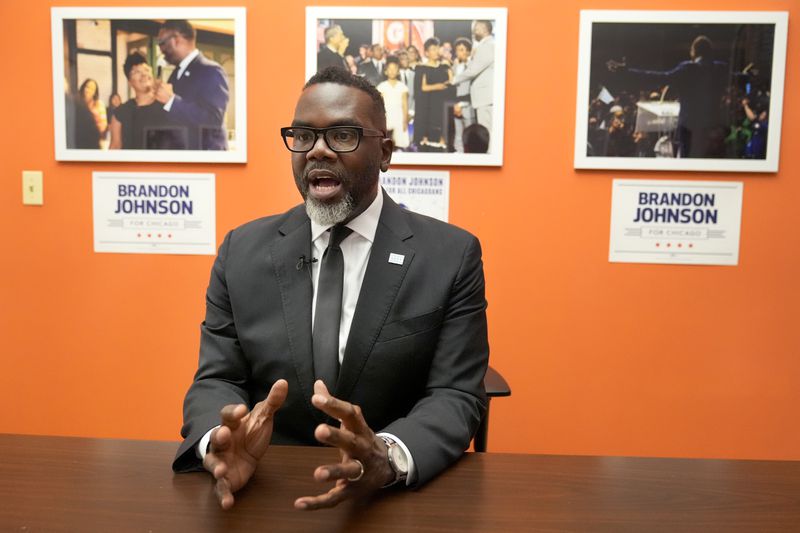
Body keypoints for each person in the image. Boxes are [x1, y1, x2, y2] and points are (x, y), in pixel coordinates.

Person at [172, 66, 489, 512]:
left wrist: (389, 456)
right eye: (302, 136)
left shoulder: (450, 256)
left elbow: (456, 393)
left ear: (386, 152)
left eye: (342, 135)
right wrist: (217, 442)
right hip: (268, 491)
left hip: (390, 499)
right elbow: (217, 378)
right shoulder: (241, 251)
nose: (318, 150)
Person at [606, 35, 729, 158]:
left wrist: (627, 72)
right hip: (712, 127)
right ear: (710, 52)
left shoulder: (687, 68)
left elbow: (658, 77)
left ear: (693, 51)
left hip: (689, 127)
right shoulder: (720, 68)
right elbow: (737, 77)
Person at [155, 19, 230, 150]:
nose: (160, 49)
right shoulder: (175, 74)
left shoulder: (211, 71)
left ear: (176, 40)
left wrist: (171, 101)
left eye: (161, 42)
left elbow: (213, 120)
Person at [109, 52, 175, 150]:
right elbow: (115, 147)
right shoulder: (121, 113)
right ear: (130, 82)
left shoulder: (168, 106)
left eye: (146, 69)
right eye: (136, 72)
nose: (143, 74)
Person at [448, 20, 495, 133]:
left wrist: (454, 79)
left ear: (484, 29)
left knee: (487, 132)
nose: (474, 32)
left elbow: (473, 71)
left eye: (476, 28)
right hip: (484, 99)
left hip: (485, 98)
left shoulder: (488, 46)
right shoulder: (484, 46)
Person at [416, 37, 453, 148]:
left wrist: (448, 63)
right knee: (427, 137)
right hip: (428, 105)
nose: (436, 51)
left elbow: (451, 81)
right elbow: (423, 88)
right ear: (427, 52)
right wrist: (437, 86)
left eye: (437, 48)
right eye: (433, 49)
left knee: (443, 132)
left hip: (442, 104)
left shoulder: (444, 66)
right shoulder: (422, 68)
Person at [376, 58, 410, 149]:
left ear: (398, 71)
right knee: (387, 143)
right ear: (386, 71)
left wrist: (405, 121)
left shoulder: (402, 87)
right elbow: (379, 105)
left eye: (394, 69)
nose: (392, 71)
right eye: (389, 69)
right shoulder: (381, 86)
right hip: (387, 117)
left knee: (399, 143)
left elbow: (405, 105)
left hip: (399, 117)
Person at [451, 38, 474, 152]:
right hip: (456, 104)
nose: (459, 52)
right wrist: (456, 104)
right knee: (458, 131)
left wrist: (461, 103)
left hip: (468, 104)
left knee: (469, 132)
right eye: (457, 50)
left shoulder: (473, 66)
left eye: (462, 50)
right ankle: (458, 152)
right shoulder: (454, 67)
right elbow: (451, 87)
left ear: (468, 51)